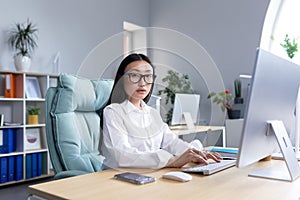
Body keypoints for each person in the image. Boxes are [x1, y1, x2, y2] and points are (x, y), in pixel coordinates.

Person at [101, 53, 222, 169]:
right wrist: (170, 161)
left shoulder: (152, 113)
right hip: (118, 178)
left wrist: (194, 154)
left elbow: (171, 142)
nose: (142, 83)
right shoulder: (113, 111)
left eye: (148, 76)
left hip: (148, 174)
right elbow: (122, 156)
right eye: (134, 75)